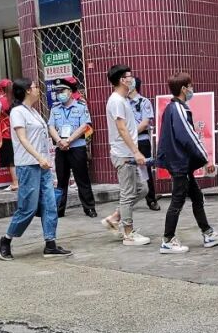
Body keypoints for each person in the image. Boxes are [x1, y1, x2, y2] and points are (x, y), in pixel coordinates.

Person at [0, 78, 72, 260]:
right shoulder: (17, 112)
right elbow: (23, 139)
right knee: (28, 207)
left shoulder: (34, 112)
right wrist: (39, 158)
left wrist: (47, 157)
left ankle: (50, 243)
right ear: (27, 90)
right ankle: (5, 240)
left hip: (42, 164)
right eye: (36, 87)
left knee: (50, 204)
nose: (38, 90)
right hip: (28, 165)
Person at [156, 72, 218, 254]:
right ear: (183, 89)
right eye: (190, 86)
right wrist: (206, 158)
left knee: (196, 197)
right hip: (180, 163)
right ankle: (167, 240)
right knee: (177, 200)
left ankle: (208, 233)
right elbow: (189, 137)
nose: (191, 89)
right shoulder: (178, 109)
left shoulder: (171, 108)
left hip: (179, 163)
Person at [102, 64, 152, 246]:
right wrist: (136, 152)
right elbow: (122, 129)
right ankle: (128, 234)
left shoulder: (123, 100)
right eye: (129, 76)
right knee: (128, 194)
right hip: (123, 154)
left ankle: (115, 217)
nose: (132, 79)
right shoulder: (116, 100)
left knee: (142, 189)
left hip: (128, 153)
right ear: (122, 80)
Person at [48, 76, 98, 219]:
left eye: (62, 91)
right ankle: (59, 209)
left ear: (70, 92)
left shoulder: (81, 107)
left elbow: (84, 126)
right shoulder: (55, 109)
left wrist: (69, 140)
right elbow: (51, 126)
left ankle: (89, 208)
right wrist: (59, 140)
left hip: (77, 147)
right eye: (58, 92)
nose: (60, 94)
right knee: (61, 180)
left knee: (82, 179)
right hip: (61, 148)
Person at [129, 77, 160, 211]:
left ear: (134, 85)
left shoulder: (144, 102)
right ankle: (128, 201)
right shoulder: (122, 102)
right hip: (126, 142)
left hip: (141, 140)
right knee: (127, 170)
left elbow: (145, 123)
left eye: (129, 82)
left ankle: (151, 200)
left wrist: (130, 134)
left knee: (144, 170)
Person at [0, 79, 18, 191]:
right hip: (20, 131)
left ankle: (15, 182)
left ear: (1, 89)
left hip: (7, 133)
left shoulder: (0, 101)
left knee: (11, 160)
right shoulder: (19, 98)